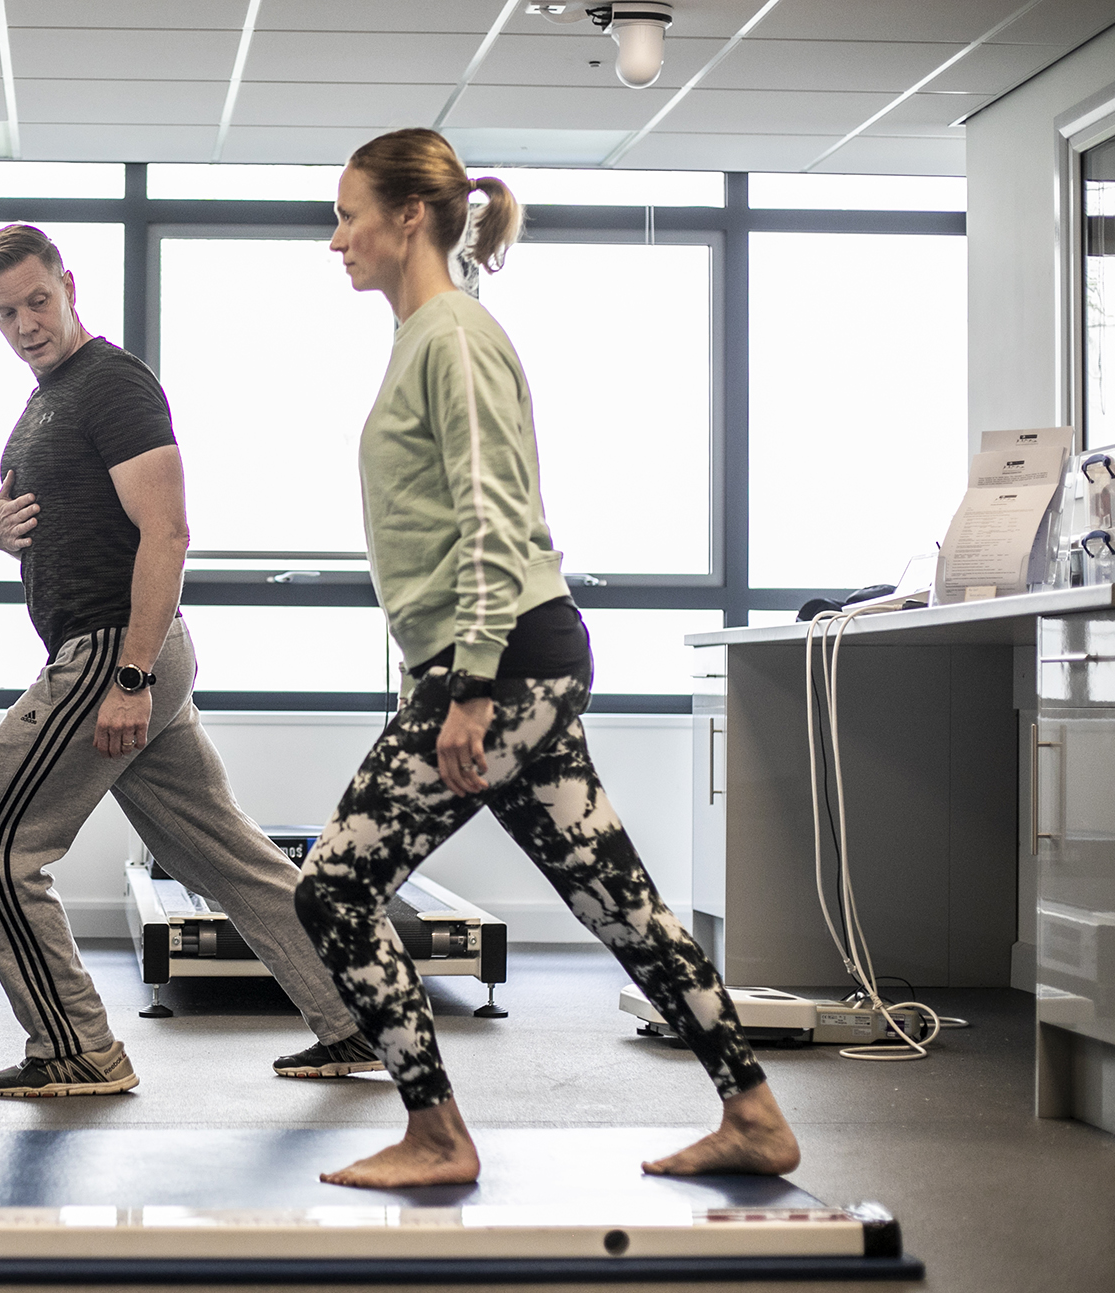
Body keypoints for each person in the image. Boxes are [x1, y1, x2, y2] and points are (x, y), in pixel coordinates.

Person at [294, 129, 802, 1187]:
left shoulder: (452, 338)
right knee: (616, 901)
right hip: (502, 662)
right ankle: (752, 1115)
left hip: (503, 667)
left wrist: (469, 687)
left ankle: (435, 1136)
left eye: (348, 213)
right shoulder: (427, 332)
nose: (334, 235)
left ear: (407, 218)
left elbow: (491, 518)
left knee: (335, 886)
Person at [0, 223, 380, 1097]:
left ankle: (77, 1047)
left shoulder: (112, 385)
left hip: (113, 651)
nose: (26, 323)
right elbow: (44, 520)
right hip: (123, 650)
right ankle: (355, 1017)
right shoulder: (44, 402)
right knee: (226, 855)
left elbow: (169, 530)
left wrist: (131, 675)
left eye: (38, 300)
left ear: (68, 284)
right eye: (5, 312)